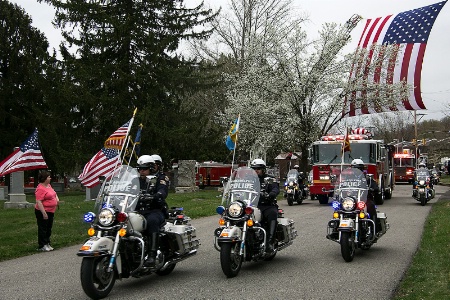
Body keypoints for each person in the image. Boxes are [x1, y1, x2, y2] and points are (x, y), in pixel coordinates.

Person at [136, 155, 169, 267]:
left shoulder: (159, 179)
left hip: (154, 210)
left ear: (150, 168)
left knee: (152, 221)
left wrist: (157, 195)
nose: (142, 171)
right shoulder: (135, 181)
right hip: (137, 211)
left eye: (144, 169)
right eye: (140, 169)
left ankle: (152, 255)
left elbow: (163, 191)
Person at [251, 158, 279, 253]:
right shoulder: (249, 180)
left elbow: (275, 188)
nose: (256, 171)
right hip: (252, 205)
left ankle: (270, 243)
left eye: (258, 169)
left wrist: (271, 194)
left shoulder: (269, 179)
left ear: (263, 169)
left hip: (267, 205)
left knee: (272, 214)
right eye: (254, 169)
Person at [350, 159, 379, 234]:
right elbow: (341, 185)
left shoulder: (367, 178)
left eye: (358, 168)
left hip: (364, 199)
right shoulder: (348, 178)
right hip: (351, 200)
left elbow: (374, 186)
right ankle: (336, 227)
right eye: (354, 168)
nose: (356, 170)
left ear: (362, 168)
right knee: (339, 208)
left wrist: (374, 188)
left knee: (371, 206)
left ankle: (374, 229)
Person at [34, 170, 59, 252]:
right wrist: (44, 213)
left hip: (51, 210)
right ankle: (42, 244)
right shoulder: (40, 188)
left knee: (48, 228)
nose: (50, 178)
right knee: (43, 228)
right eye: (48, 177)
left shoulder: (48, 186)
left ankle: (47, 242)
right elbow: (39, 202)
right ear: (44, 178)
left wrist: (57, 200)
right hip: (43, 211)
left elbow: (54, 194)